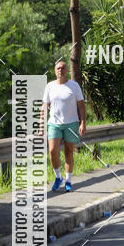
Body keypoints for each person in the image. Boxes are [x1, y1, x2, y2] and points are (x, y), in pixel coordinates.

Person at [41, 59, 86, 192]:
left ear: (67, 70)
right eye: (58, 68)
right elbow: (44, 106)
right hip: (54, 124)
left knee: (68, 151)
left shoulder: (74, 86)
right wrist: (41, 125)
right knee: (52, 151)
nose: (60, 70)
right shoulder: (50, 86)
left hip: (71, 123)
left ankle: (68, 180)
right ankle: (58, 177)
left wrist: (83, 122)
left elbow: (81, 105)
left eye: (62, 68)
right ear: (55, 71)